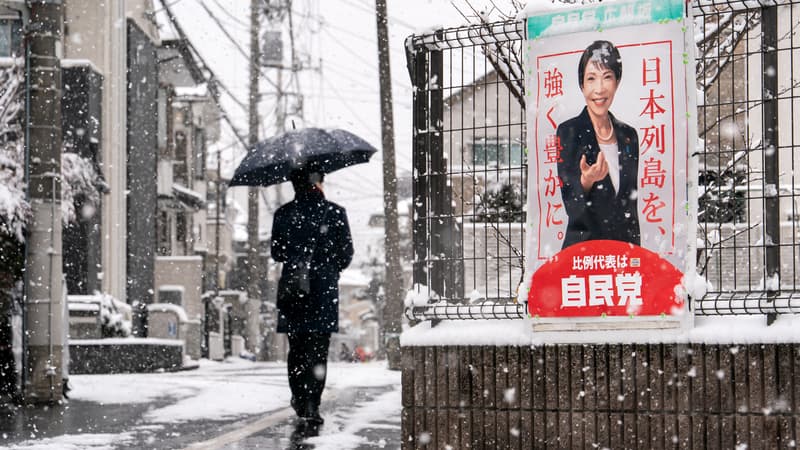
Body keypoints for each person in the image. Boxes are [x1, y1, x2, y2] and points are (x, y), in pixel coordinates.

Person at [271, 166, 354, 425]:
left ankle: (299, 397)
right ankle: (311, 403)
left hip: (294, 289)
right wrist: (328, 267)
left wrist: (297, 256)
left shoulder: (284, 214)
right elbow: (346, 254)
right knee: (318, 350)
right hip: (323, 291)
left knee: (296, 349)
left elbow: (277, 253)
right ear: (318, 182)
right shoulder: (335, 213)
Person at [556, 40, 641, 250]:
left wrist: (635, 252)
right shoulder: (569, 132)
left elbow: (630, 206)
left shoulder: (628, 135)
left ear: (617, 82)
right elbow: (571, 204)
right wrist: (586, 181)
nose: (599, 89)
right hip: (584, 251)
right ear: (582, 85)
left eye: (607, 77)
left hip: (623, 252)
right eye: (591, 79)